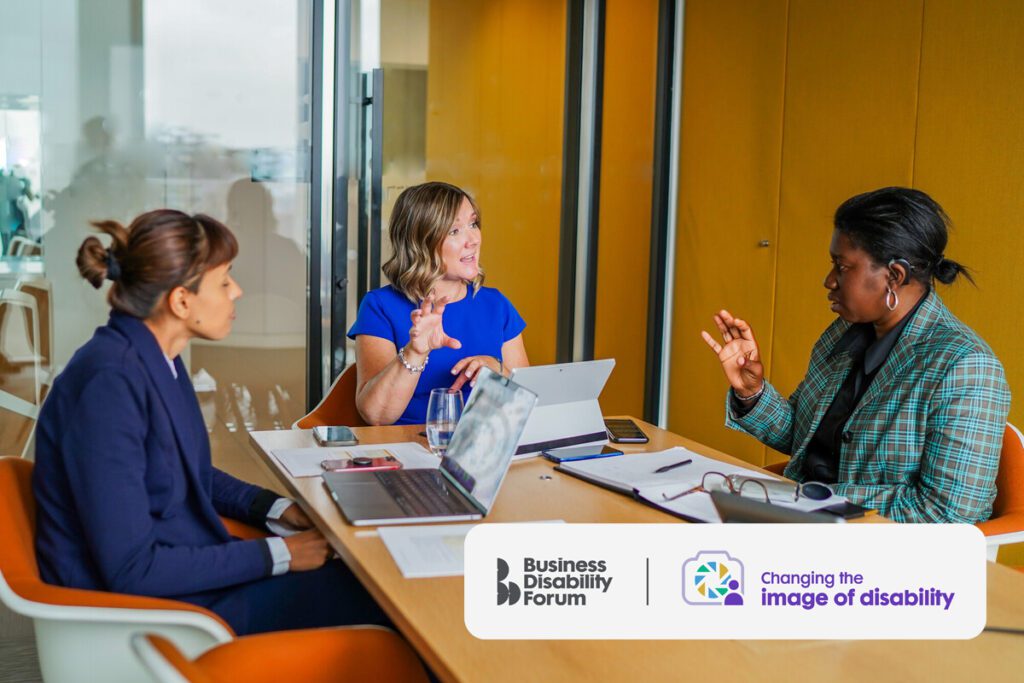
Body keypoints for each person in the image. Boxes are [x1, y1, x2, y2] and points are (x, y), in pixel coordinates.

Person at [32, 210, 387, 635]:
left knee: (368, 575)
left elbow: (190, 474)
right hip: (152, 614)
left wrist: (277, 509)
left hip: (186, 573)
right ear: (182, 300)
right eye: (224, 281)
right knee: (382, 598)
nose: (237, 291)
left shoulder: (157, 357)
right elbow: (132, 569)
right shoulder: (108, 385)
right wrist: (282, 555)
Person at [702, 187, 1010, 523]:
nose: (828, 280)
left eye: (842, 266)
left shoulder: (965, 367)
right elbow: (802, 437)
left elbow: (949, 512)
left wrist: (809, 497)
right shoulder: (842, 335)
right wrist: (752, 392)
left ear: (895, 276)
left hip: (880, 551)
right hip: (801, 521)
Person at [349, 181, 529, 425]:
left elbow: (528, 405)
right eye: (454, 231)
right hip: (406, 450)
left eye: (473, 224)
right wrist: (415, 352)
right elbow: (377, 416)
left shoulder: (496, 305)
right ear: (420, 243)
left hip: (480, 448)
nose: (473, 239)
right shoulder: (380, 307)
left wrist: (498, 371)